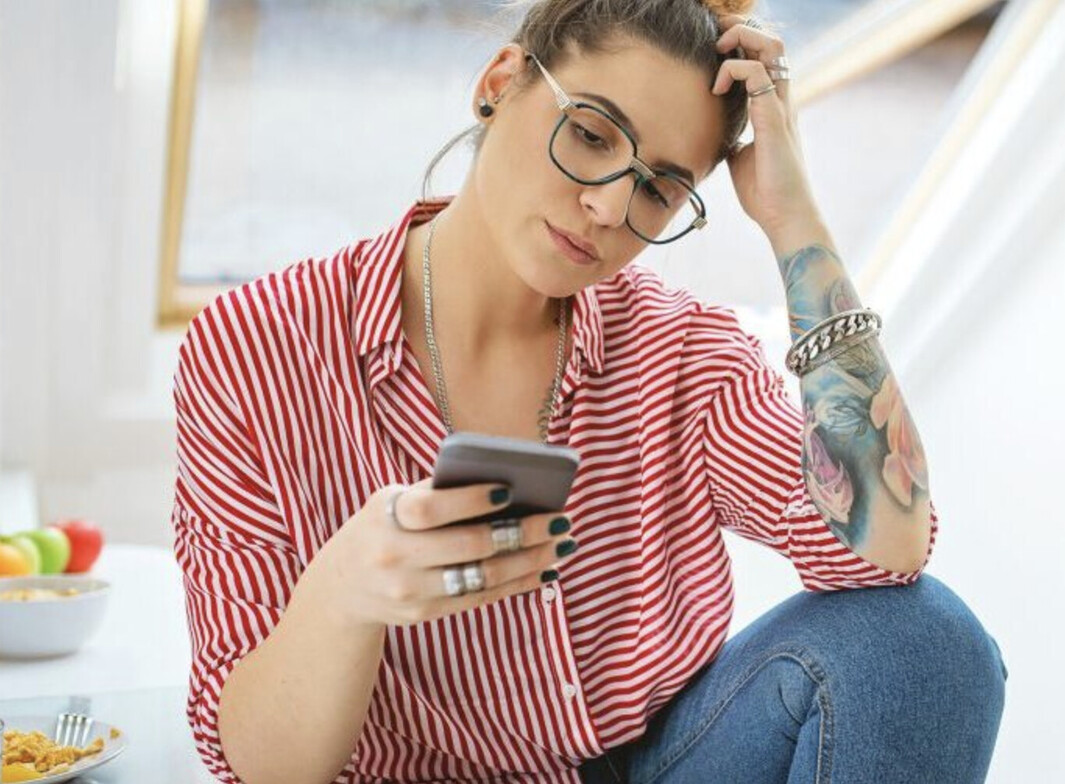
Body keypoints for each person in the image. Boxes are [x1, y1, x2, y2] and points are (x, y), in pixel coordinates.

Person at [170, 1, 1007, 782]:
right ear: (499, 83)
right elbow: (267, 767)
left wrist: (794, 223)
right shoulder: (255, 347)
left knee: (926, 643)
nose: (609, 207)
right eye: (592, 134)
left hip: (649, 764)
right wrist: (345, 591)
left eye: (658, 188)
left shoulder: (681, 351)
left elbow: (885, 549)